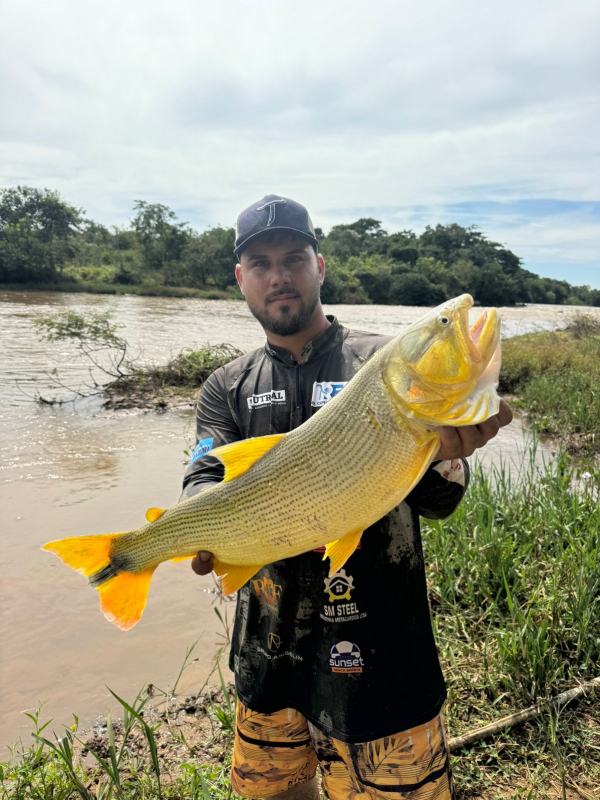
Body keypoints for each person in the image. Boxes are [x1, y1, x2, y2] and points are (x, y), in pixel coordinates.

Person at [181, 195, 512, 800]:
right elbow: (203, 477)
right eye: (260, 263)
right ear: (240, 279)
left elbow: (440, 502)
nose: (279, 276)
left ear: (320, 265)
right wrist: (194, 530)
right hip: (267, 648)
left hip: (384, 648)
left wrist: (446, 458)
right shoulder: (223, 387)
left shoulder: (379, 361)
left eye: (293, 258)